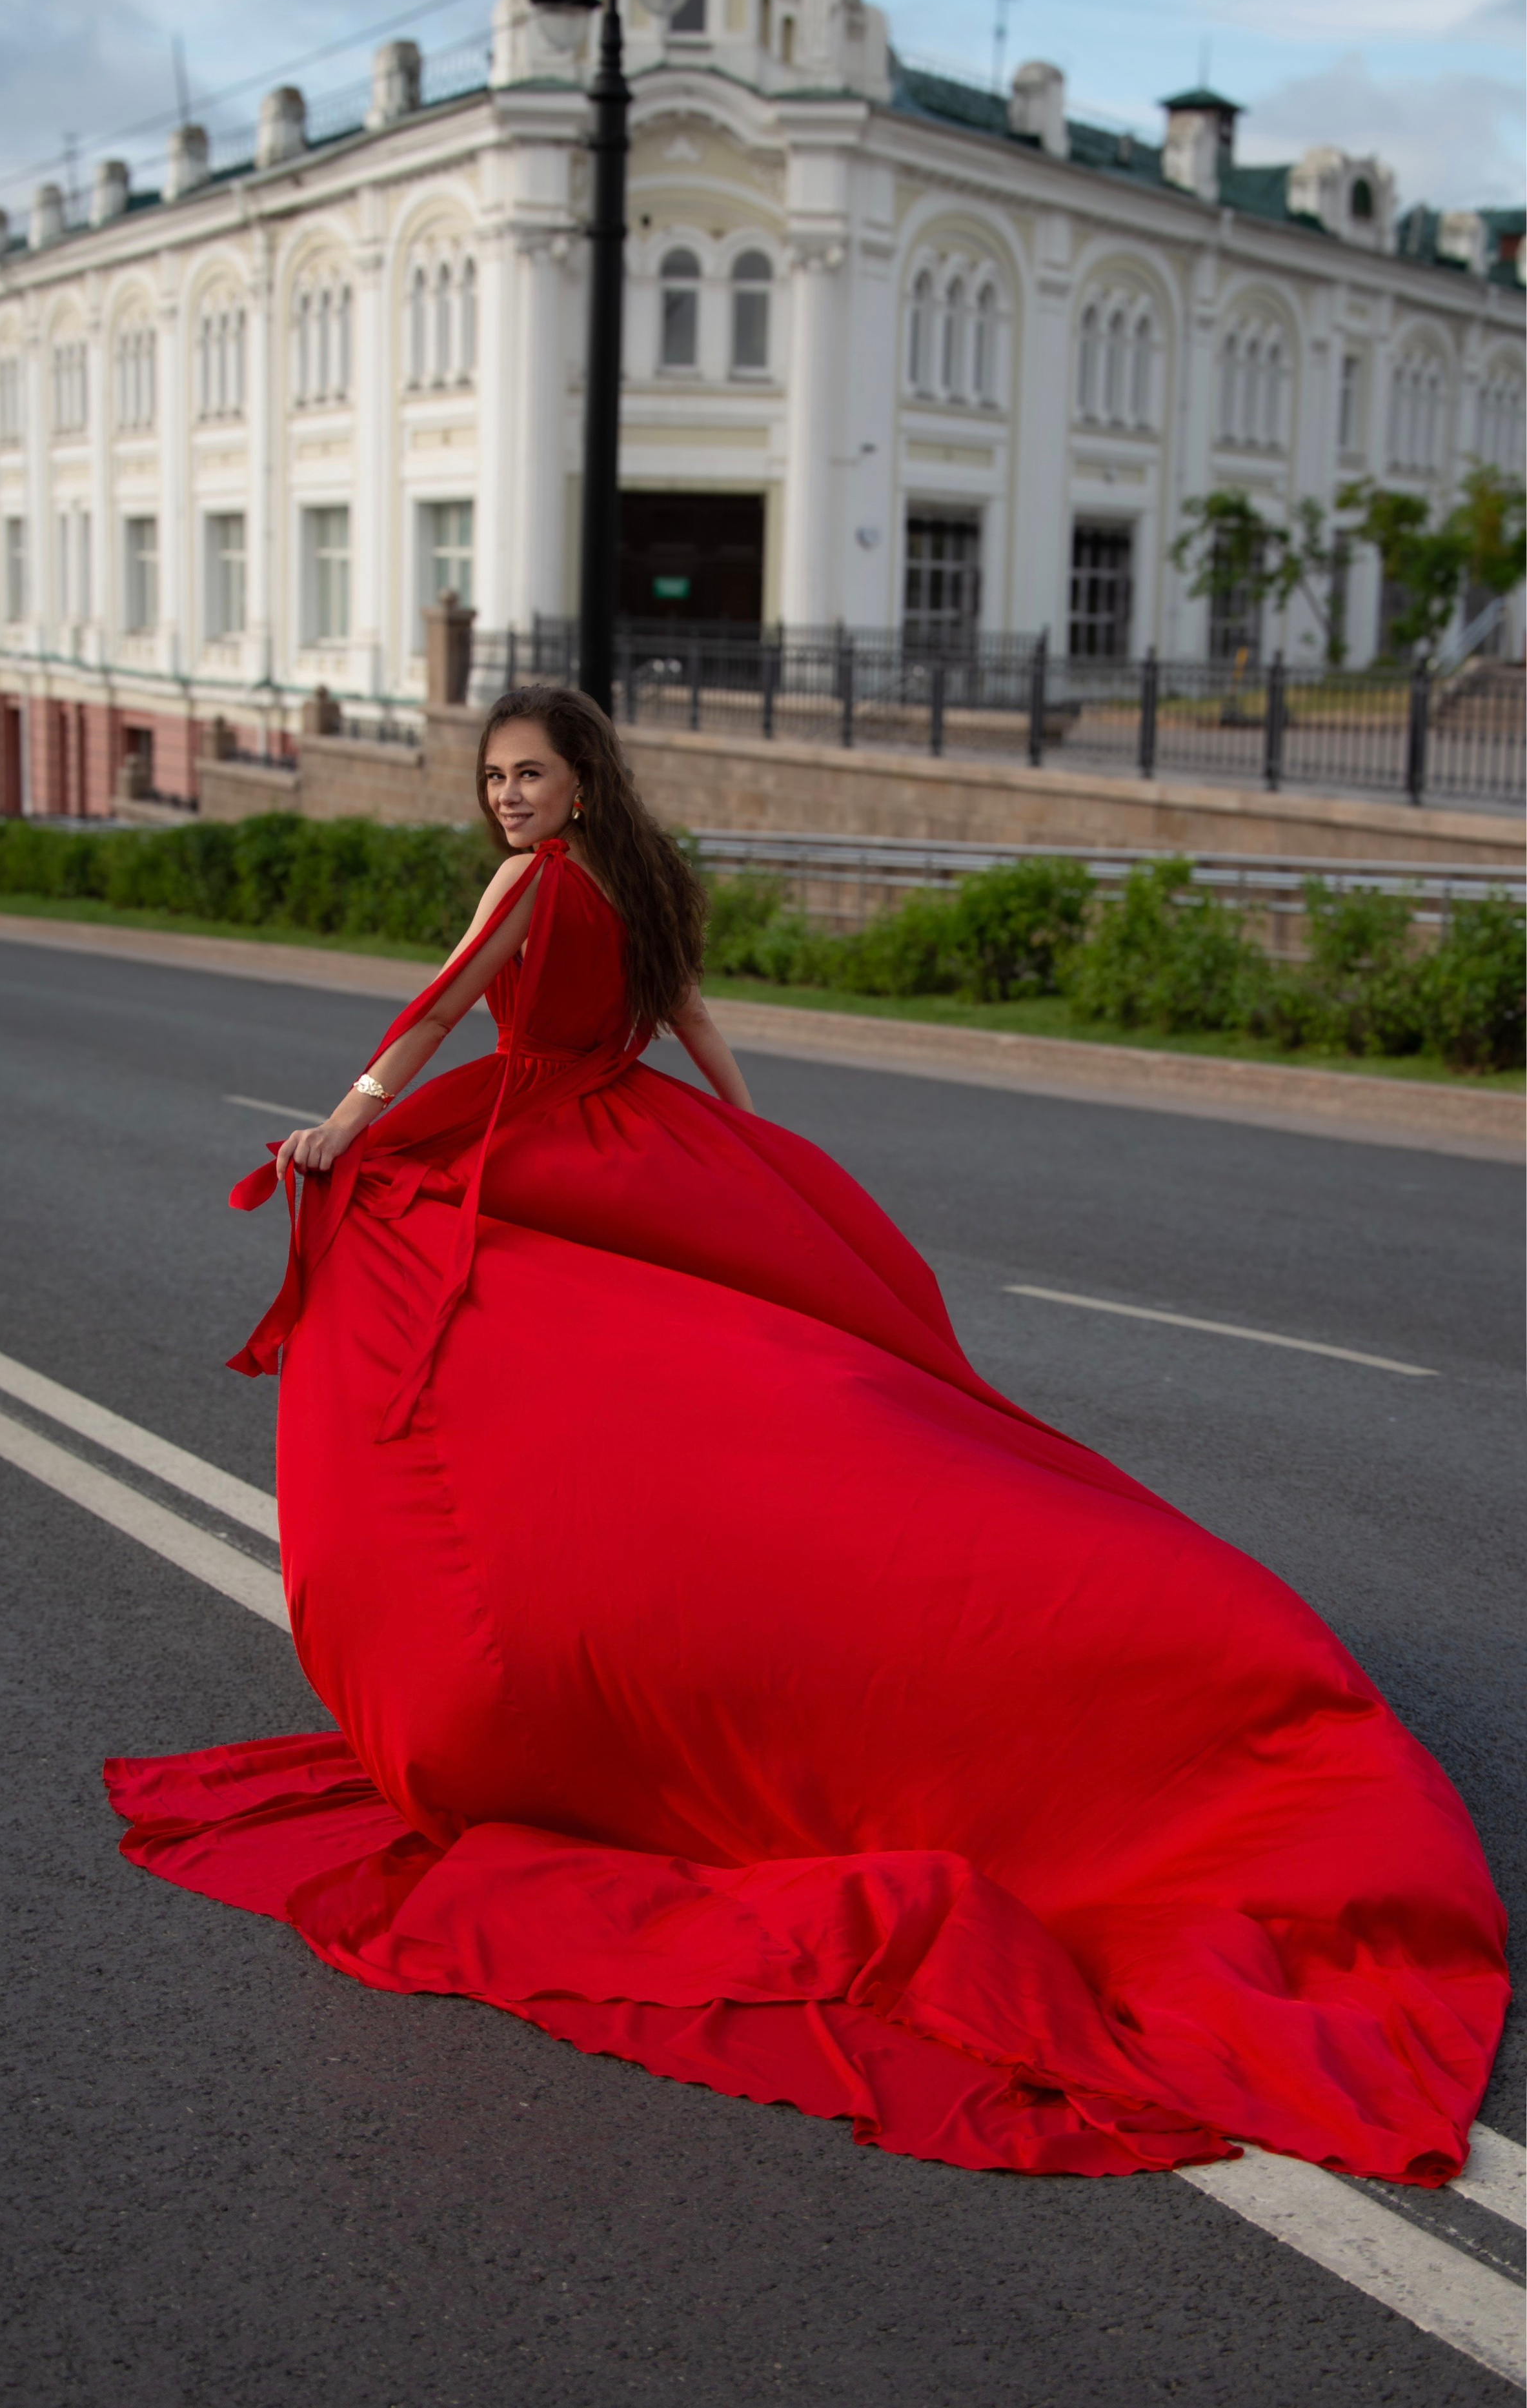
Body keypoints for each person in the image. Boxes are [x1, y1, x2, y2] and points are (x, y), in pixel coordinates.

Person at [106, 685, 1506, 2185]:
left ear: (582, 780)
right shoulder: (642, 876)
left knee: (536, 1380)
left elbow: (444, 1002)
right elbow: (688, 1016)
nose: (506, 799)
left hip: (532, 1133)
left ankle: (572, 1651)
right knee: (749, 1371)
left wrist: (346, 1118)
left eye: (528, 774)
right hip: (638, 1135)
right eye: (492, 778)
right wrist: (746, 1143)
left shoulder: (532, 884)